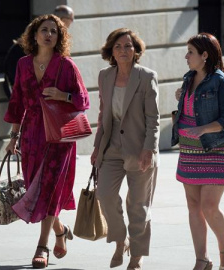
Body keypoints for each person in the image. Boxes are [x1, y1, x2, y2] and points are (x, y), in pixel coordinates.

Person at [4, 14, 90, 269]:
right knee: (34, 186)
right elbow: (17, 101)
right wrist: (13, 136)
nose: (49, 34)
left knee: (49, 188)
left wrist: (63, 95)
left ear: (59, 37)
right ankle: (61, 230)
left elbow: (83, 99)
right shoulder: (22, 64)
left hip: (59, 135)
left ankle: (42, 246)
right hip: (31, 133)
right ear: (34, 34)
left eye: (54, 31)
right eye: (44, 30)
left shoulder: (66, 65)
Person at [91, 28, 160, 270]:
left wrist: (149, 149)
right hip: (111, 147)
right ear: (111, 50)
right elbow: (103, 115)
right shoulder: (105, 76)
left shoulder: (146, 76)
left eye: (129, 46)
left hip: (140, 148)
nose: (124, 50)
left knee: (138, 206)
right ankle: (120, 241)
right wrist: (97, 146)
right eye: (118, 46)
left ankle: (137, 257)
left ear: (136, 50)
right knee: (105, 195)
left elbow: (153, 118)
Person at [171, 33, 224, 270]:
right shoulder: (188, 78)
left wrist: (203, 129)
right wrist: (181, 101)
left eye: (190, 51)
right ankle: (202, 259)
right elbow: (191, 108)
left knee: (209, 206)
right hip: (189, 147)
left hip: (217, 147)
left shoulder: (221, 81)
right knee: (193, 206)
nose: (186, 56)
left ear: (204, 55)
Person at [3, 5, 74, 99]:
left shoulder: (66, 64)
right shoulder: (27, 54)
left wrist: (65, 97)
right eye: (71, 19)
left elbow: (81, 99)